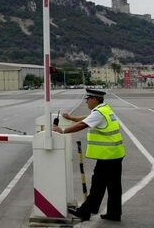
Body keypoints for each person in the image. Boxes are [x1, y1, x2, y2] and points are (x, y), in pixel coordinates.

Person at [53, 88, 125, 222]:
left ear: (94, 99)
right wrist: (70, 118)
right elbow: (86, 118)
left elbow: (83, 124)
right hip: (114, 154)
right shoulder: (104, 109)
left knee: (98, 184)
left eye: (88, 99)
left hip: (108, 156)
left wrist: (62, 130)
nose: (86, 102)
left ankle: (85, 211)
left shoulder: (99, 113)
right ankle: (113, 213)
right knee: (112, 186)